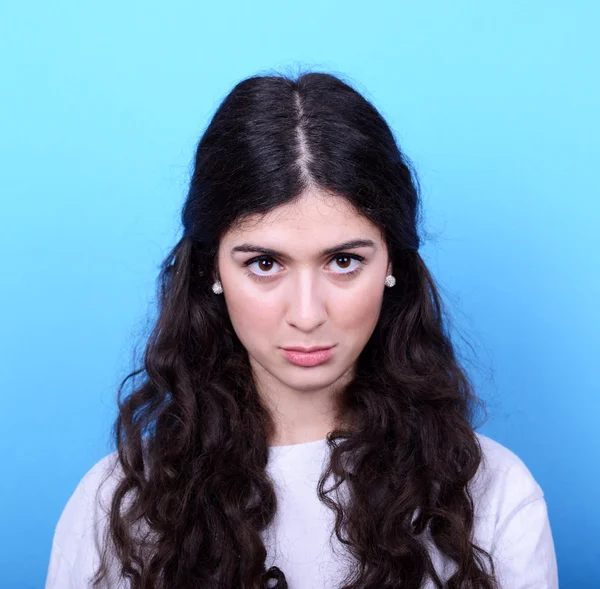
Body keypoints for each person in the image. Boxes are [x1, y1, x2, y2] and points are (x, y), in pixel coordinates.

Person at [44, 71, 559, 589]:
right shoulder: (118, 508)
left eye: (343, 261)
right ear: (211, 271)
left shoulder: (491, 496)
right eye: (265, 264)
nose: (308, 314)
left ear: (391, 264)